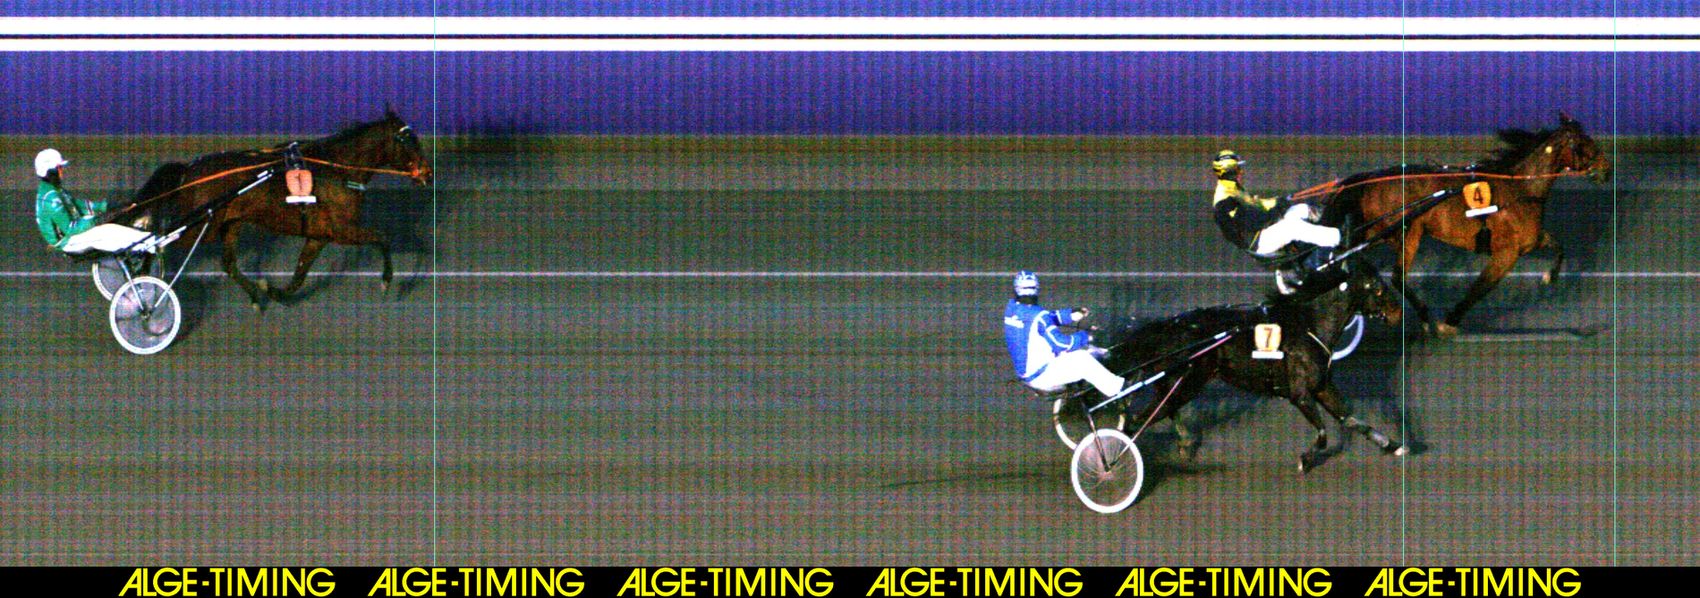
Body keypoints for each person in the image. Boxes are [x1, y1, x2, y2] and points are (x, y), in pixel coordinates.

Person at [1209, 149, 1340, 288]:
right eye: (1237, 169)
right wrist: (1278, 208)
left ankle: (1323, 235)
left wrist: (1279, 201)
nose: (1241, 172)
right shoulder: (1225, 201)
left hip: (1262, 231)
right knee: (1293, 227)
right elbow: (1257, 221)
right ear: (1228, 172)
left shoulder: (1233, 188)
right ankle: (1337, 239)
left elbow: (1258, 204)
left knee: (1300, 209)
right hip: (1258, 242)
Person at [1003, 271, 1131, 399]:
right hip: (1042, 373)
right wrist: (1087, 336)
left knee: (1081, 352)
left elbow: (1043, 319)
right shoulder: (1038, 315)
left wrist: (1070, 314)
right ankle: (1121, 390)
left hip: (1028, 372)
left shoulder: (1012, 309)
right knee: (1084, 359)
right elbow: (1060, 343)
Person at [34, 148, 154, 254]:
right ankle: (149, 243)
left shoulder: (53, 189)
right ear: (50, 171)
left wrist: (107, 207)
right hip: (67, 241)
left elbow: (78, 206)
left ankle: (145, 242)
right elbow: (70, 228)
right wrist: (98, 220)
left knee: (110, 224)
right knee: (106, 231)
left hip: (73, 231)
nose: (62, 171)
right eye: (59, 168)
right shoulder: (51, 197)